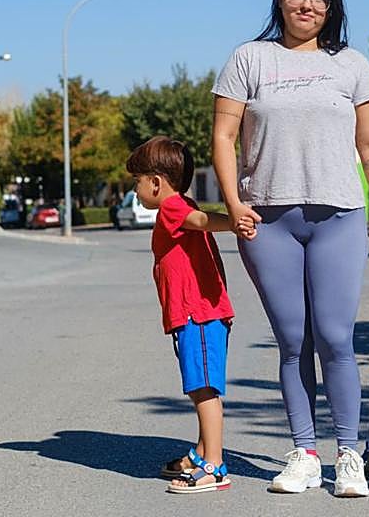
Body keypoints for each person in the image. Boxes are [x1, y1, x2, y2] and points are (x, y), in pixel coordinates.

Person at [211, 0, 369, 498]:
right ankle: (303, 453)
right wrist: (233, 203)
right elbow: (224, 137)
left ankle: (347, 454)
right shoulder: (249, 59)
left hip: (339, 215)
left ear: (331, 7)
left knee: (337, 339)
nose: (307, 5)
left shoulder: (352, 66)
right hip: (267, 218)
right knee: (293, 340)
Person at [125, 135, 253, 494]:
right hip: (198, 315)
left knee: (204, 389)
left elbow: (199, 220)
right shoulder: (180, 206)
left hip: (197, 315)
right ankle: (201, 452)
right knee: (202, 386)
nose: (135, 190)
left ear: (156, 182)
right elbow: (200, 226)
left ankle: (213, 465)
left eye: (137, 182)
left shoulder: (172, 208)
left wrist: (233, 220)